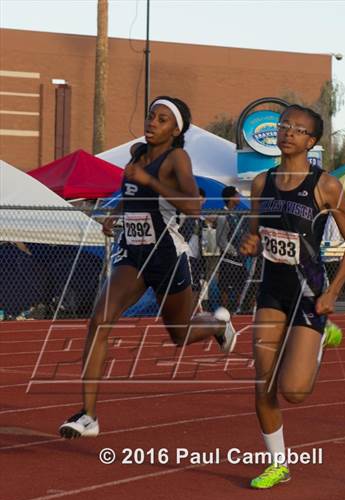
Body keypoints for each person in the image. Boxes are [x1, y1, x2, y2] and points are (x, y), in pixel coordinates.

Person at [59, 96, 236, 438]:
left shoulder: (176, 159)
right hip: (133, 253)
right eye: (151, 115)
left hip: (165, 255)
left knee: (179, 333)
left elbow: (194, 207)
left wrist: (151, 181)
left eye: (162, 119)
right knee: (99, 321)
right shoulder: (137, 155)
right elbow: (132, 189)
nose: (152, 122)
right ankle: (88, 415)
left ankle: (216, 327)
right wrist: (116, 212)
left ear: (175, 130)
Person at [240, 104, 345, 489]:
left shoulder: (325, 185)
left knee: (294, 392)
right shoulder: (262, 182)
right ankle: (278, 464)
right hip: (272, 291)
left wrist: (334, 291)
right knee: (263, 381)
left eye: (297, 129)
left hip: (310, 294)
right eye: (283, 126)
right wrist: (250, 241)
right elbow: (255, 233)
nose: (287, 132)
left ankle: (322, 333)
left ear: (311, 141)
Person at [216, 186, 249, 312]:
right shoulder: (223, 216)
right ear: (230, 198)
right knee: (225, 289)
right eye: (237, 195)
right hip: (229, 261)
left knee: (241, 287)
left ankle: (236, 311)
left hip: (240, 260)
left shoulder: (237, 215)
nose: (239, 197)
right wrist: (235, 252)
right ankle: (223, 313)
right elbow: (221, 240)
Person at [179, 187, 207, 308]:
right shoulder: (184, 214)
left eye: (200, 201)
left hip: (198, 255)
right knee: (186, 283)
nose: (198, 204)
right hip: (186, 254)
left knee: (197, 283)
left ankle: (193, 308)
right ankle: (185, 308)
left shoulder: (202, 219)